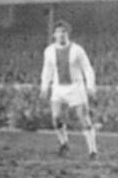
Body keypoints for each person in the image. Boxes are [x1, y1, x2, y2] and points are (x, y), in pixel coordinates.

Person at [39, 20, 98, 158]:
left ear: (68, 34)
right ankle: (64, 143)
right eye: (59, 32)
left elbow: (87, 68)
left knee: (83, 118)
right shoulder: (49, 51)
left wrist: (90, 86)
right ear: (54, 35)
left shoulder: (77, 50)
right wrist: (44, 87)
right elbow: (47, 70)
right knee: (56, 118)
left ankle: (93, 150)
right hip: (58, 88)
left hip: (76, 87)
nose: (61, 34)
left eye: (64, 32)